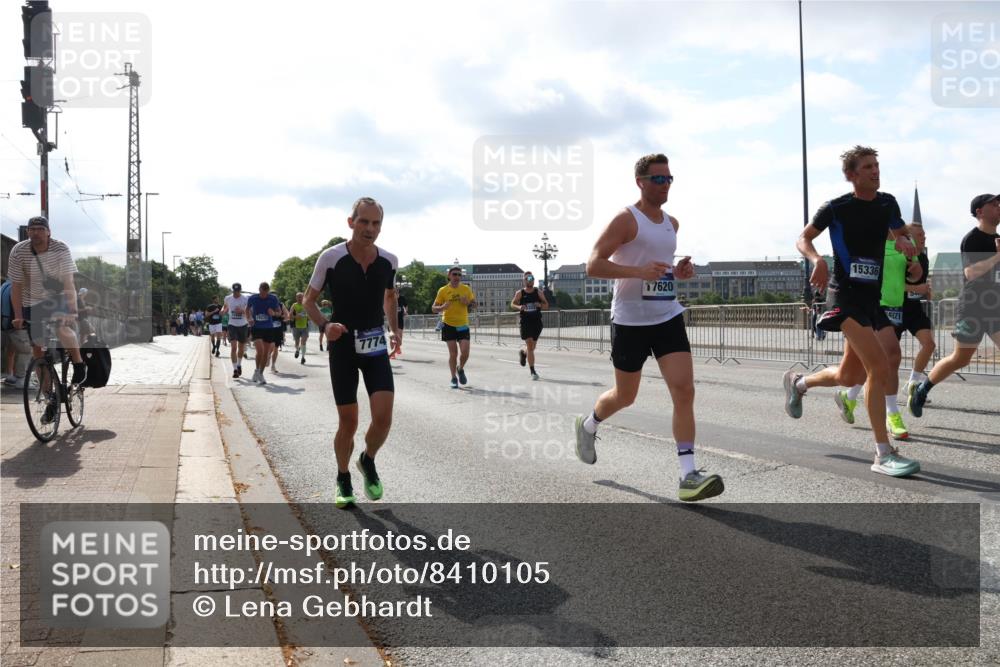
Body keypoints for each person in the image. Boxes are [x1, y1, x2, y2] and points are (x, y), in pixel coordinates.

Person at [573, 152, 723, 502]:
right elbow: (593, 265)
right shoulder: (626, 220)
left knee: (684, 390)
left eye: (669, 178)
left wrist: (678, 274)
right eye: (658, 179)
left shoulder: (672, 223)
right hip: (629, 321)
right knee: (625, 396)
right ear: (640, 181)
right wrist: (638, 272)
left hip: (666, 315)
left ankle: (688, 475)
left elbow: (660, 270)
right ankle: (589, 424)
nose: (665, 184)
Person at [783, 145, 920, 477]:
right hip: (844, 296)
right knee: (880, 367)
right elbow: (803, 237)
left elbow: (899, 232)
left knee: (850, 376)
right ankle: (883, 453)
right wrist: (816, 260)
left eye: (877, 165)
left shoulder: (888, 203)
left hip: (872, 300)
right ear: (851, 175)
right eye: (868, 166)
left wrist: (908, 251)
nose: (875, 170)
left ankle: (799, 384)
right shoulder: (836, 208)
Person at [302, 196, 400, 509]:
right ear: (351, 222)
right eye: (364, 222)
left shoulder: (389, 261)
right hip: (342, 345)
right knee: (349, 422)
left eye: (376, 223)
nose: (370, 229)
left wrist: (395, 329)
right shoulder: (330, 258)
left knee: (383, 418)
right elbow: (308, 301)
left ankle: (367, 460)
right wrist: (324, 325)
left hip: (374, 345)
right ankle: (343, 477)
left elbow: (389, 297)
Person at [909, 193, 1000, 416]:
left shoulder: (998, 239)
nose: (999, 207)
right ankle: (922, 389)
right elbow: (971, 272)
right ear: (980, 211)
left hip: (995, 307)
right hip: (973, 307)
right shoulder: (973, 239)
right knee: (961, 358)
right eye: (994, 204)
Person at [834, 228, 923, 439]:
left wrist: (914, 268)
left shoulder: (905, 242)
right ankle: (892, 415)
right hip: (872, 305)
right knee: (890, 356)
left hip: (895, 307)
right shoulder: (869, 239)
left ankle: (809, 385)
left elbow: (916, 273)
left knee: (854, 371)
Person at [8, 216, 89, 402]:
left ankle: (78, 364)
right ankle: (49, 397)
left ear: (48, 232)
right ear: (27, 232)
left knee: (62, 327)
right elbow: (16, 286)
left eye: (40, 229)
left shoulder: (60, 248)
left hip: (57, 298)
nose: (36, 232)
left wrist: (72, 311)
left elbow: (68, 282)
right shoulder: (18, 251)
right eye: (32, 229)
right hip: (32, 301)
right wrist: (18, 316)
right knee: (38, 350)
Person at [899, 222, 935, 399]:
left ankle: (912, 384)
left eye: (924, 235)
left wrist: (926, 290)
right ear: (908, 238)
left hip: (914, 309)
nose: (924, 238)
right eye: (920, 235)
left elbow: (920, 284)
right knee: (888, 355)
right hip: (895, 308)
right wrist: (916, 288)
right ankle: (857, 389)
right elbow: (890, 285)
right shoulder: (899, 256)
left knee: (929, 344)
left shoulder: (923, 258)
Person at [433, 267, 477, 389]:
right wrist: (442, 307)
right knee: (453, 354)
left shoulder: (466, 289)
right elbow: (433, 308)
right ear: (449, 275)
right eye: (454, 274)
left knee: (465, 352)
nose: (457, 277)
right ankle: (453, 378)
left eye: (459, 275)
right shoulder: (443, 290)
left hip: (463, 324)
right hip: (448, 325)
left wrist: (468, 302)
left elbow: (475, 305)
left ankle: (460, 368)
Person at [511, 271, 548, 380]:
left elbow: (546, 305)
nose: (529, 280)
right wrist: (519, 307)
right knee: (530, 347)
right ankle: (533, 371)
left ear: (533, 280)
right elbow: (512, 304)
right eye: (527, 278)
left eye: (531, 278)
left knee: (532, 347)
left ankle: (523, 353)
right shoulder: (520, 293)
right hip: (525, 322)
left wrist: (540, 305)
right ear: (524, 280)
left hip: (537, 322)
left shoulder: (538, 292)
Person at [247, 282, 282, 384]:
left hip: (268, 328)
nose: (264, 295)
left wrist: (274, 313)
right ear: (259, 290)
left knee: (266, 354)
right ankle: (257, 370)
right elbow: (247, 309)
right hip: (256, 327)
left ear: (268, 291)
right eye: (262, 293)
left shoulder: (273, 298)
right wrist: (249, 318)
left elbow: (279, 312)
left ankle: (260, 374)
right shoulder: (253, 298)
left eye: (266, 293)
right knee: (260, 351)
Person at [1, 278, 32, 389]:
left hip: (4, 324)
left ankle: (10, 376)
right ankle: (20, 379)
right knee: (25, 350)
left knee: (11, 349)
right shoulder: (18, 287)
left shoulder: (4, 286)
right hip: (15, 324)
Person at [221, 283, 250, 379]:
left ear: (240, 290)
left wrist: (241, 311)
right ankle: (234, 370)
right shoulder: (228, 298)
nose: (236, 293)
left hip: (243, 325)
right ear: (232, 290)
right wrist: (223, 311)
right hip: (232, 324)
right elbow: (225, 307)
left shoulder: (245, 299)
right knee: (233, 347)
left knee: (241, 348)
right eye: (234, 291)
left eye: (238, 291)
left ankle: (239, 364)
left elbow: (249, 312)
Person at [291, 292, 310, 364]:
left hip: (305, 326)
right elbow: (290, 316)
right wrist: (296, 317)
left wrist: (309, 317)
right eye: (298, 297)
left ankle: (303, 357)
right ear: (296, 298)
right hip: (296, 327)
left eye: (301, 297)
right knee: (297, 342)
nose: (300, 298)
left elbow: (310, 315)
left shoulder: (306, 305)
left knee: (304, 341)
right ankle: (297, 350)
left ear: (303, 297)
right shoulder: (294, 305)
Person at [389, 286, 407, 360]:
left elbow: (405, 306)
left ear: (398, 292)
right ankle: (392, 353)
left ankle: (398, 347)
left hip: (400, 320)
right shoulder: (389, 298)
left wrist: (405, 311)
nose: (395, 292)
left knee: (399, 339)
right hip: (391, 320)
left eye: (396, 291)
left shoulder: (402, 298)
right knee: (392, 337)